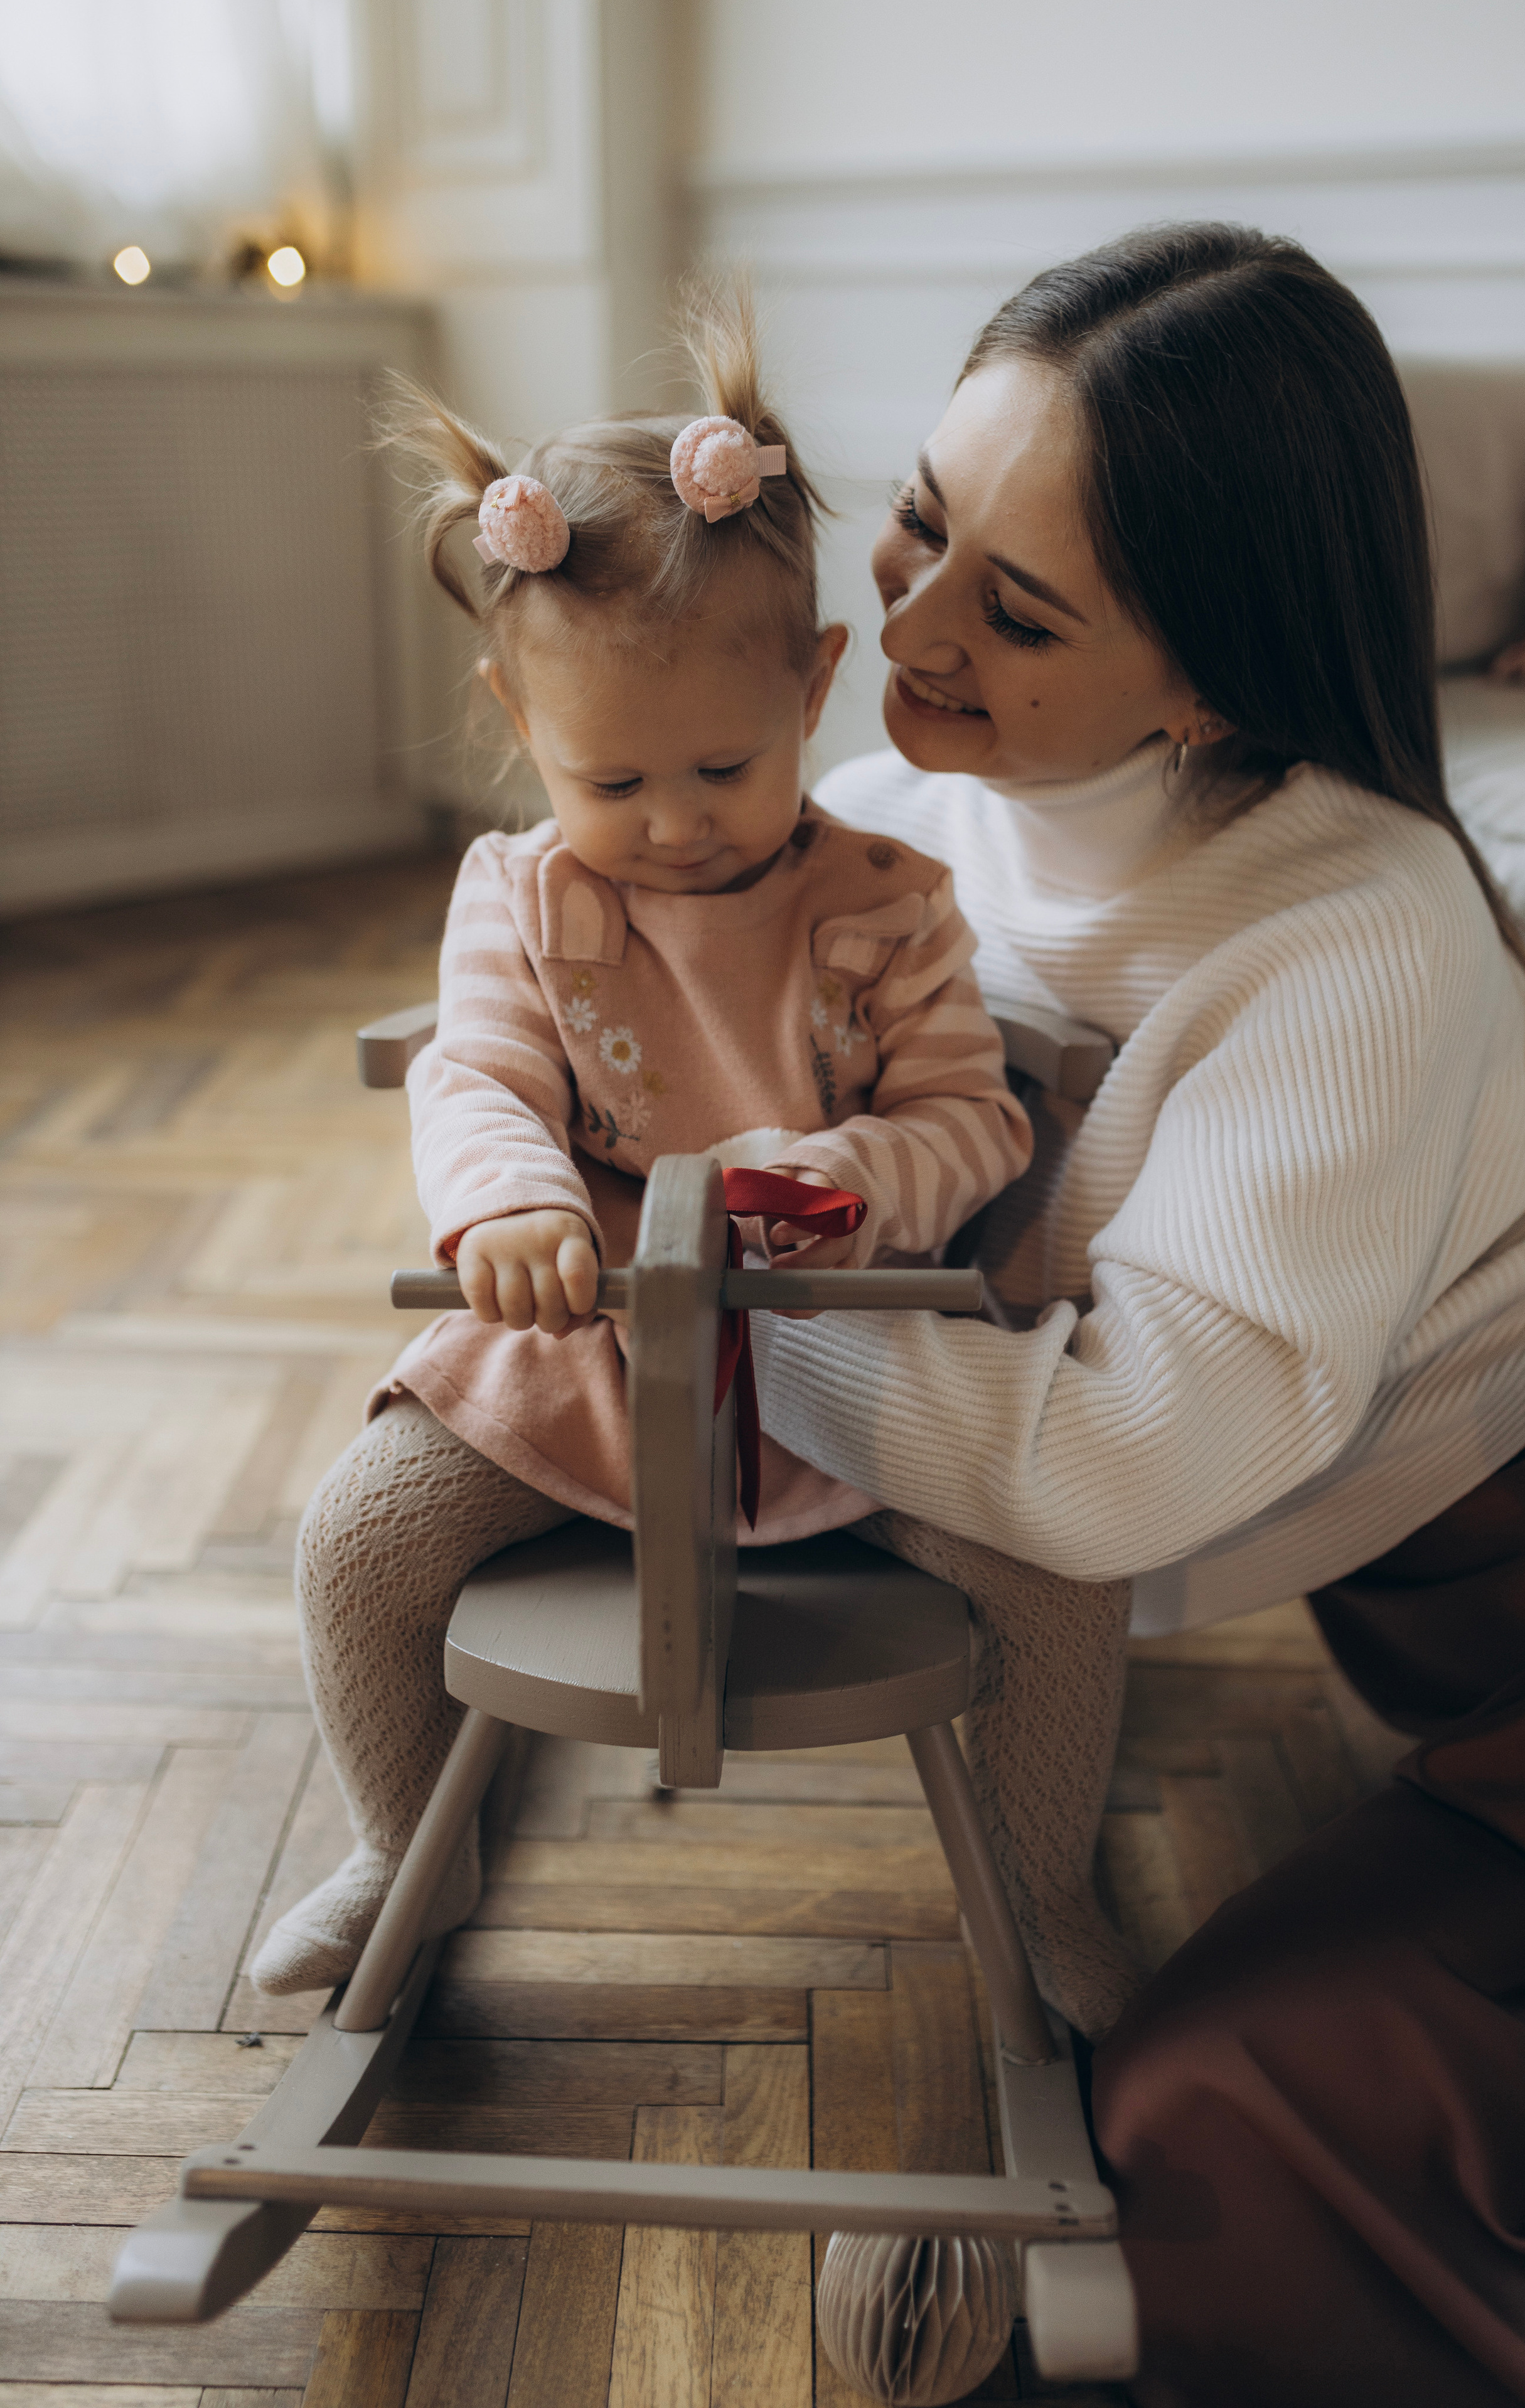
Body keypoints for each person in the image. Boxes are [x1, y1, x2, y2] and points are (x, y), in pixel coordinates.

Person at [747, 225, 1525, 2405]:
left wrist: (730, 1318)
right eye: (921, 521)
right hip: (1442, 1615)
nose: (903, 628)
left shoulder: (1355, 940)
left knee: (1220, 2146)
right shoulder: (880, 824)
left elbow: (1123, 1458)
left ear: (1211, 676)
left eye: (1013, 612)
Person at [249, 298, 1030, 1998]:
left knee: (1061, 1566)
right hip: (583, 1343)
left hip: (844, 1352)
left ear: (817, 688)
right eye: (613, 779)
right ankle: (411, 1853)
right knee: (359, 1545)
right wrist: (514, 1206)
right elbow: (478, 1079)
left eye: (724, 767)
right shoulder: (523, 895)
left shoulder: (891, 904)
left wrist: (842, 1178)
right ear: (518, 727)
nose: (674, 819)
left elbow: (973, 1116)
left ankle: (1051, 1901)